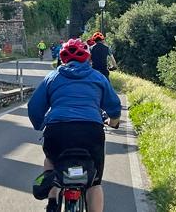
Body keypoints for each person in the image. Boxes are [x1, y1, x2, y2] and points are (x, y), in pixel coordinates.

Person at [29, 38, 121, 212]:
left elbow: (34, 108)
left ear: (63, 59)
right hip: (90, 132)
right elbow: (114, 106)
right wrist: (113, 122)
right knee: (94, 182)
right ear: (88, 58)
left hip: (57, 132)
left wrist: (40, 125)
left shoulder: (52, 77)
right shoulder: (98, 77)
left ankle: (52, 201)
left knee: (51, 160)